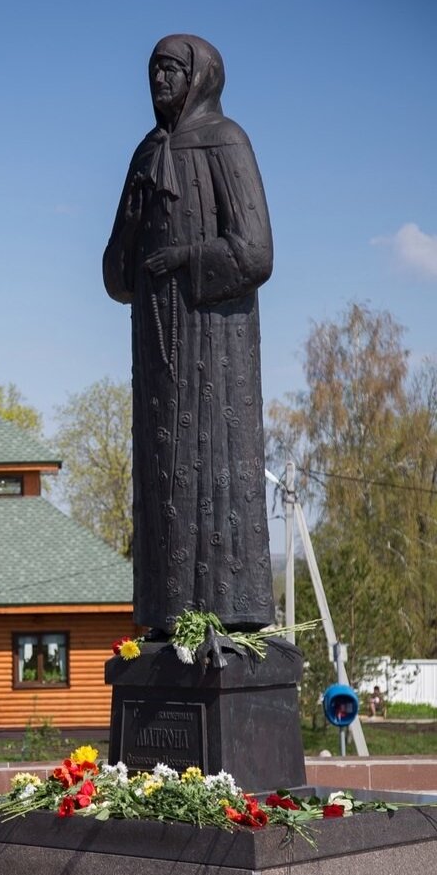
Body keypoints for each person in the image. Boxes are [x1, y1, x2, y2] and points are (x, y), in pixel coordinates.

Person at [104, 34, 274, 636]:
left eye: (171, 70)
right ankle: (164, 618)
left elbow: (255, 254)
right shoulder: (146, 153)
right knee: (162, 474)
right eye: (152, 71)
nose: (159, 81)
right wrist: (132, 217)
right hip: (155, 351)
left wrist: (183, 258)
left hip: (217, 349)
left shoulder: (227, 142)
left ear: (199, 76)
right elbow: (117, 279)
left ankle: (234, 616)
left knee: (216, 463)